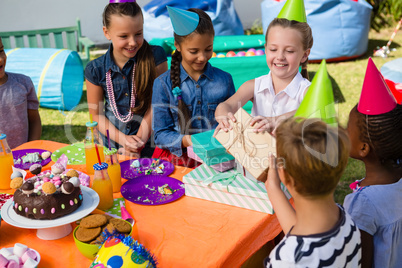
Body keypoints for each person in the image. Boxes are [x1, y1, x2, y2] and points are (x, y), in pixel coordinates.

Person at [264, 117, 361, 267]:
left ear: (283, 173)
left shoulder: (286, 259)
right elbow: (304, 235)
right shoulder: (345, 221)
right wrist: (274, 189)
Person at [152, 7, 235, 167]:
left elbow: (234, 122)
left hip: (217, 158)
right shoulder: (162, 84)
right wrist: (188, 140)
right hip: (178, 161)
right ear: (177, 45)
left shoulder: (224, 80)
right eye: (194, 51)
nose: (202, 57)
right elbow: (161, 134)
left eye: (208, 49)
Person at [85, 0, 168, 158]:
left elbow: (158, 103)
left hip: (149, 144)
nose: (132, 42)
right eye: (124, 36)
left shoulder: (156, 57)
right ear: (106, 32)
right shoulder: (95, 70)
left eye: (138, 34)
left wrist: (137, 143)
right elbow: (96, 115)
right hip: (113, 146)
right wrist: (124, 141)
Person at [343, 59, 402, 268]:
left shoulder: (363, 204)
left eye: (348, 129)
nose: (343, 132)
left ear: (363, 148)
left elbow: (361, 262)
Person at [215, 17, 313, 134]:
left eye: (290, 51)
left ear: (304, 55)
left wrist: (276, 120)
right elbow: (226, 105)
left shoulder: (307, 90)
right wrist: (224, 116)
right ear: (265, 49)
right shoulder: (253, 86)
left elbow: (314, 112)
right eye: (273, 49)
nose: (280, 56)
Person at [0, 37, 42, 149]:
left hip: (23, 158)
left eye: (1, 51)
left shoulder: (24, 83)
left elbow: (34, 120)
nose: (0, 59)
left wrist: (30, 149)